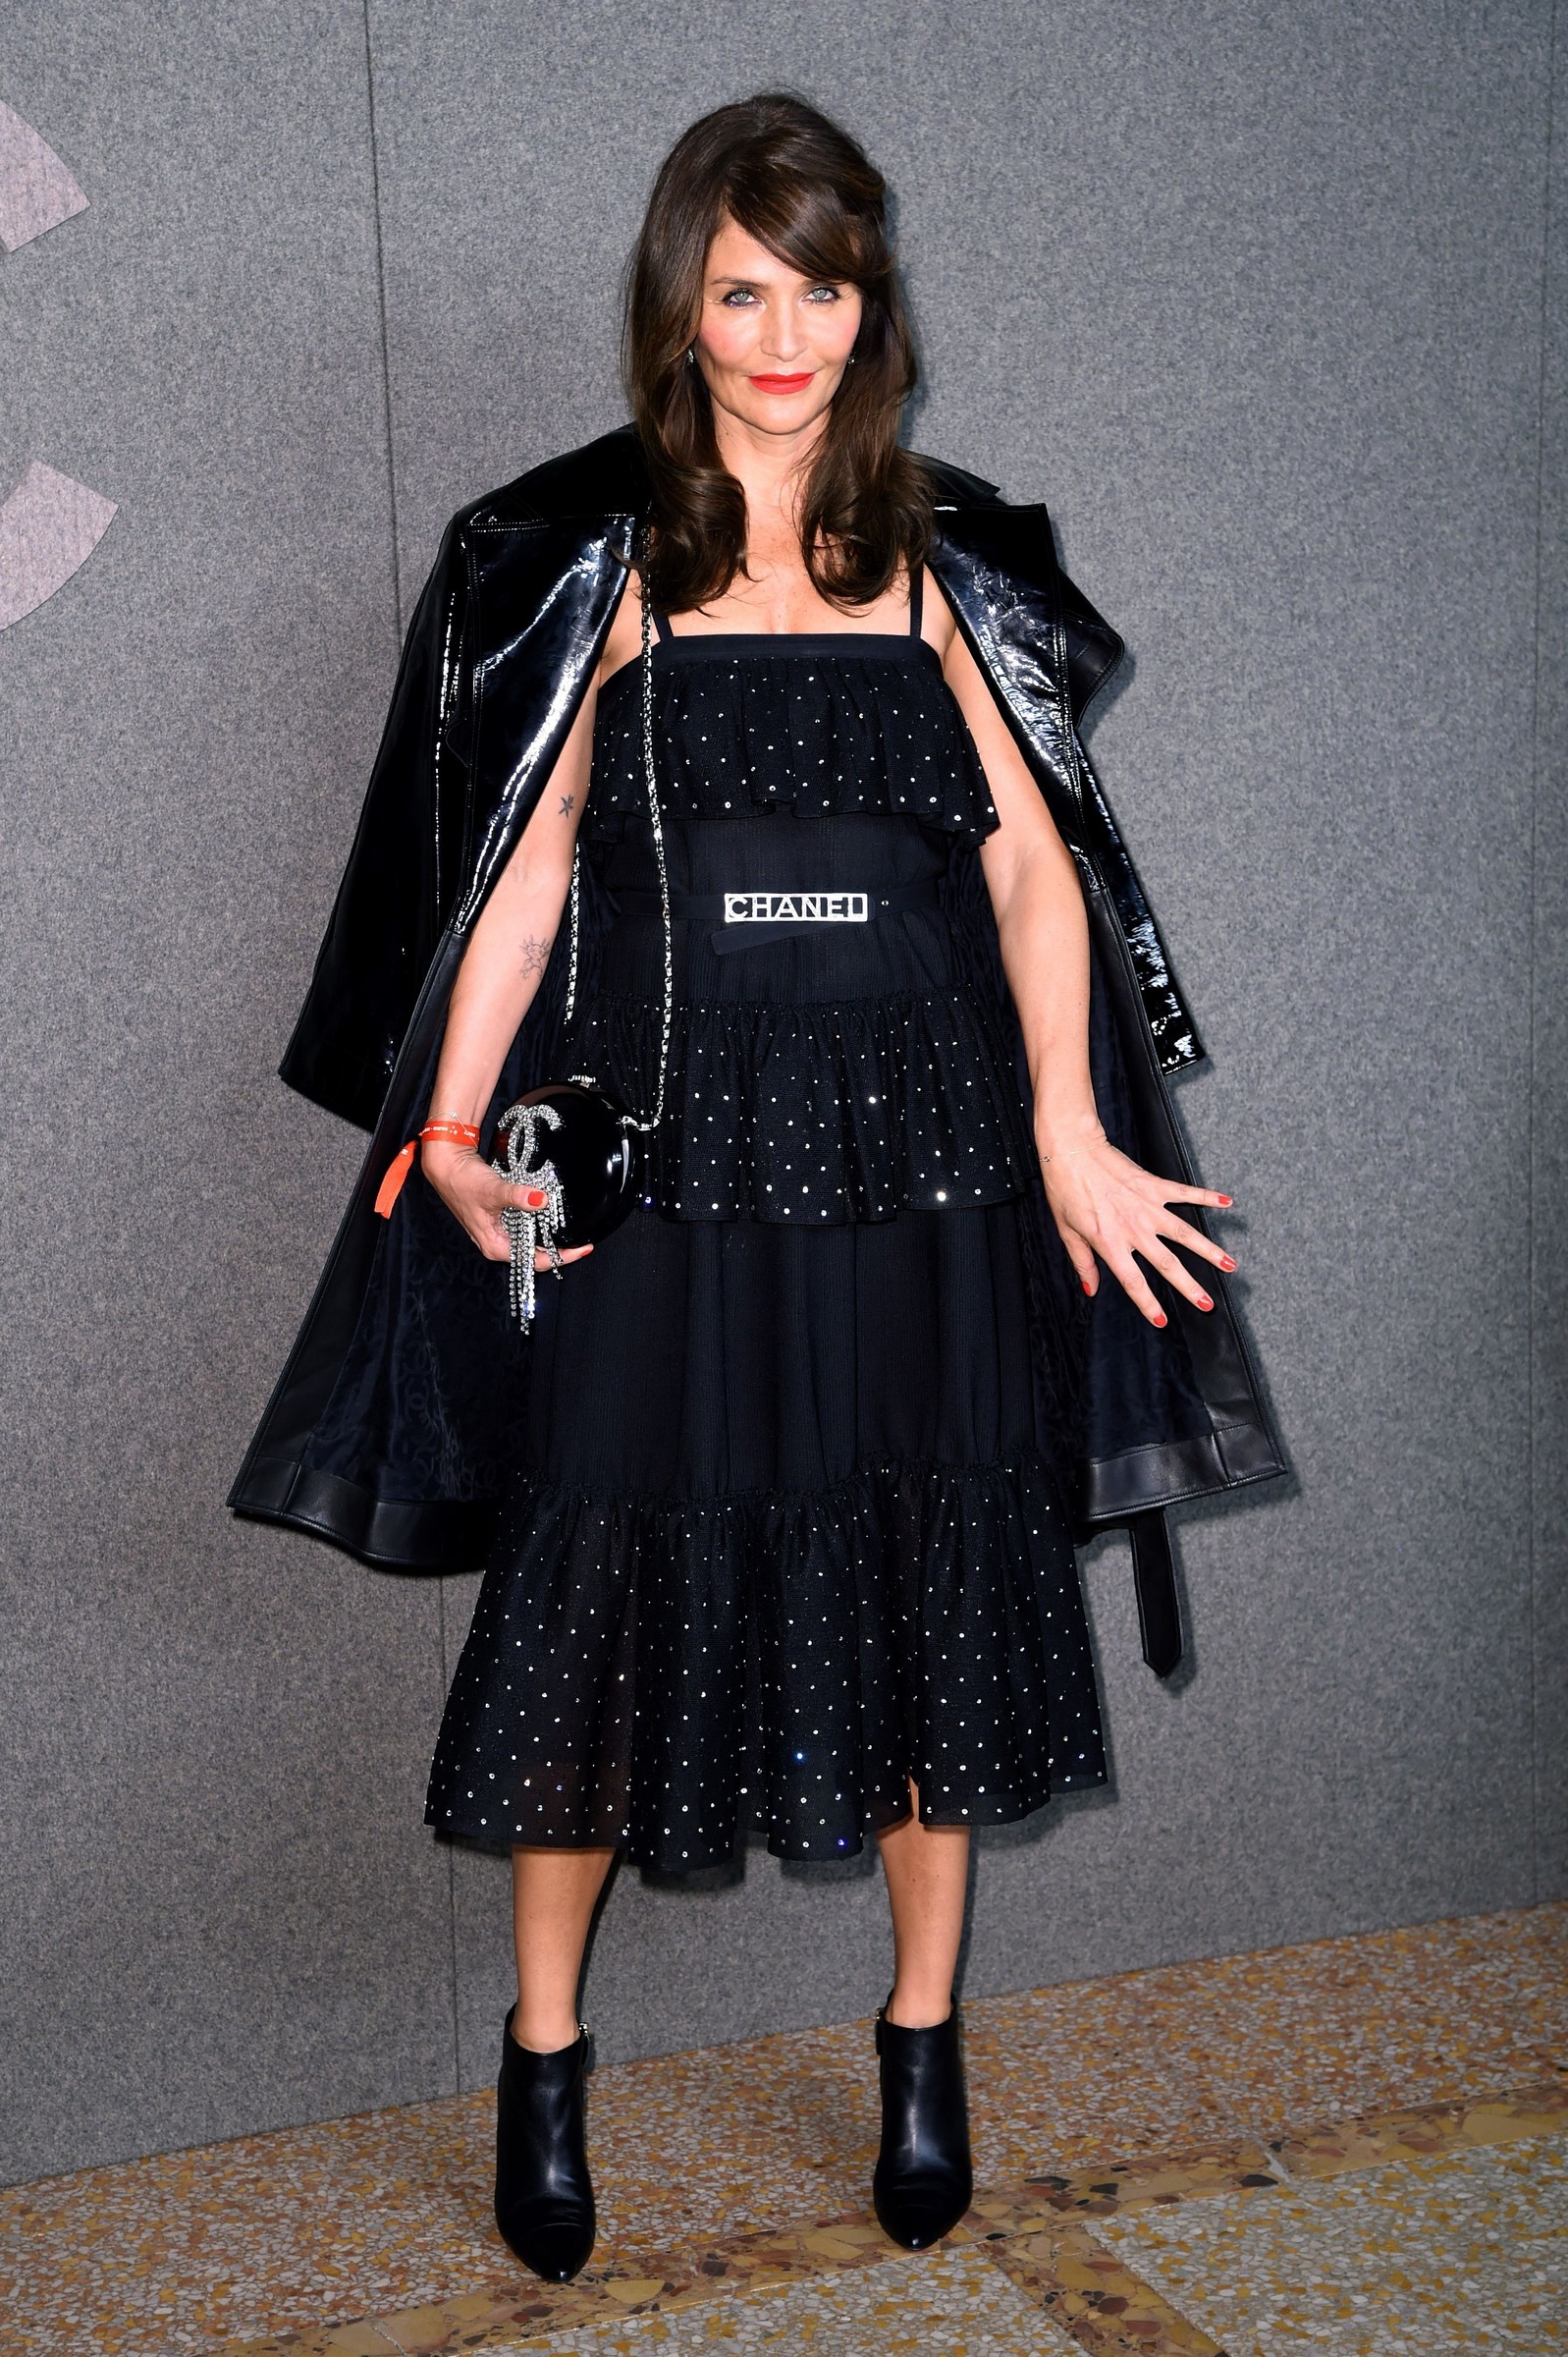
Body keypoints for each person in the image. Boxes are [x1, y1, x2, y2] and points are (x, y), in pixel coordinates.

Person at [231, 93, 1281, 2287]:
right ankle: (541, 2057)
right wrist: (447, 1132)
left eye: (821, 287)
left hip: (928, 1166)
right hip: (672, 1172)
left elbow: (1033, 878)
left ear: (867, 306)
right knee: (602, 1586)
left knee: (930, 1586)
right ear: (678, 310)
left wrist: (1069, 1129)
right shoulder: (590, 562)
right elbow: (519, 886)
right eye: (741, 290)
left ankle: (921, 2049)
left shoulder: (947, 561)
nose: (784, 334)